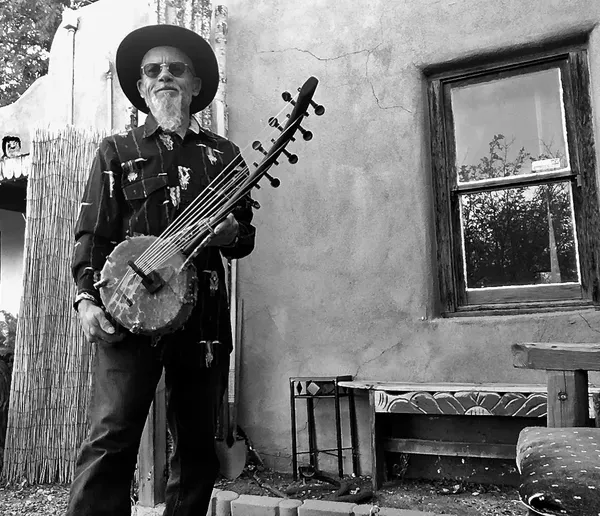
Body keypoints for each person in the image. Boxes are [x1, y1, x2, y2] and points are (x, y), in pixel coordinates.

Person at [68, 24, 256, 516]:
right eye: (153, 71)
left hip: (203, 321)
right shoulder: (116, 150)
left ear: (195, 85)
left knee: (196, 448)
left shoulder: (225, 157)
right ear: (142, 86)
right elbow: (92, 235)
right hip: (127, 314)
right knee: (109, 439)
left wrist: (229, 234)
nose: (164, 76)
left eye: (177, 69)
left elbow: (246, 237)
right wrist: (86, 299)